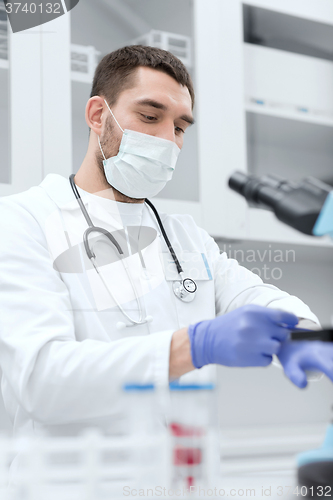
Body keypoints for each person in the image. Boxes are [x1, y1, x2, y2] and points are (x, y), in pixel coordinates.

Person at [0, 45, 332, 485]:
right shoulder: (23, 220)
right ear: (98, 115)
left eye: (179, 127)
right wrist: (192, 346)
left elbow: (252, 295)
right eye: (150, 116)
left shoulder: (183, 236)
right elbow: (43, 380)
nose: (167, 140)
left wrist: (303, 336)